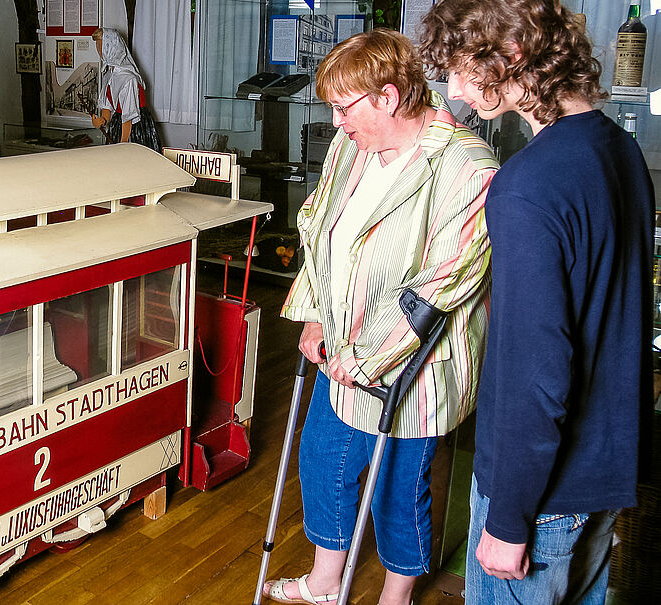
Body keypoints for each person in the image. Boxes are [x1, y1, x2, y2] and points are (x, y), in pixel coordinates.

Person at [418, 1, 654, 603]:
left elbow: (535, 371)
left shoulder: (526, 186)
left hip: (538, 495)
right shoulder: (619, 149)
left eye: (462, 69)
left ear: (511, 54)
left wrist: (508, 520)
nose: (456, 91)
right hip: (604, 471)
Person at [265, 30, 498, 605]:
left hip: (413, 364)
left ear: (388, 98)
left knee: (398, 487)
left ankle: (396, 597)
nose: (338, 123)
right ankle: (325, 582)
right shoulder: (355, 147)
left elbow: (441, 284)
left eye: (346, 108)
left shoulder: (468, 168)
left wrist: (366, 358)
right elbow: (321, 228)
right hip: (340, 344)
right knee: (323, 460)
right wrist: (315, 314)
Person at [90, 28, 161, 151]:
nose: (99, 50)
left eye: (100, 46)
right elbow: (107, 106)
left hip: (134, 128)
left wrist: (123, 144)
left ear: (111, 47)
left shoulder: (128, 79)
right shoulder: (109, 75)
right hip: (119, 125)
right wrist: (102, 121)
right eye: (97, 46)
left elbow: (129, 116)